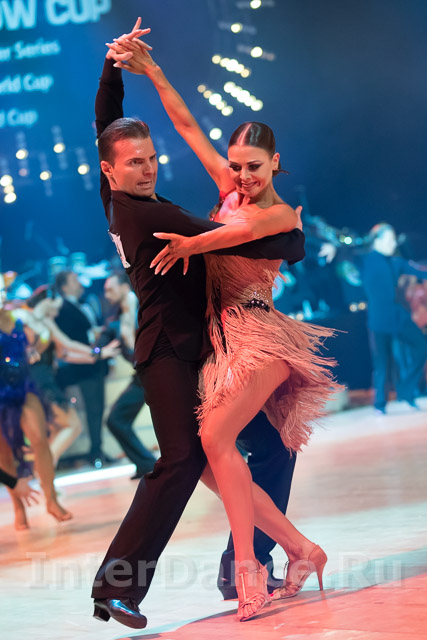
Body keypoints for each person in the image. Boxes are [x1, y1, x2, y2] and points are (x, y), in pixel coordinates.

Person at [110, 25, 341, 622]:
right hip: (222, 341)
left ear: (276, 164)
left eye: (255, 166)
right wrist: (153, 71)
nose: (243, 177)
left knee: (215, 441)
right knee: (214, 456)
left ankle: (247, 568)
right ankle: (300, 549)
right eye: (236, 166)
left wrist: (193, 243)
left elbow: (240, 233)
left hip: (260, 334)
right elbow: (188, 126)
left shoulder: (280, 213)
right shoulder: (229, 188)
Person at [320, 223, 427, 414]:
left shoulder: (396, 262)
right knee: (381, 363)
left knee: (421, 345)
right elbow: (345, 251)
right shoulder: (364, 259)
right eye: (390, 239)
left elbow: (419, 271)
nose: (394, 243)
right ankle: (380, 404)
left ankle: (406, 390)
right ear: (377, 240)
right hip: (378, 319)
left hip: (399, 317)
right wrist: (333, 248)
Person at [0, 273, 72, 529]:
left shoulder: (17, 316)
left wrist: (35, 349)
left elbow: (43, 335)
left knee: (40, 439)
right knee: (4, 452)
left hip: (23, 385)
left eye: (2, 291)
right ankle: (19, 507)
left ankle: (51, 499)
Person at [54, 270, 112, 467]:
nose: (79, 283)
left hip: (94, 362)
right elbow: (67, 344)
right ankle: (95, 452)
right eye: (74, 280)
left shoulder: (85, 304)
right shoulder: (61, 308)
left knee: (97, 409)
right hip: (82, 366)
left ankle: (97, 450)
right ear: (64, 287)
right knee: (92, 410)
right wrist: (96, 352)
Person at [100, 272, 156, 479]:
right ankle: (146, 464)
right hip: (141, 375)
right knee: (115, 420)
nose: (107, 295)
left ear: (124, 287)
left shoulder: (144, 305)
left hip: (158, 369)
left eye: (110, 289)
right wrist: (98, 352)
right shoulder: (114, 319)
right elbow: (98, 346)